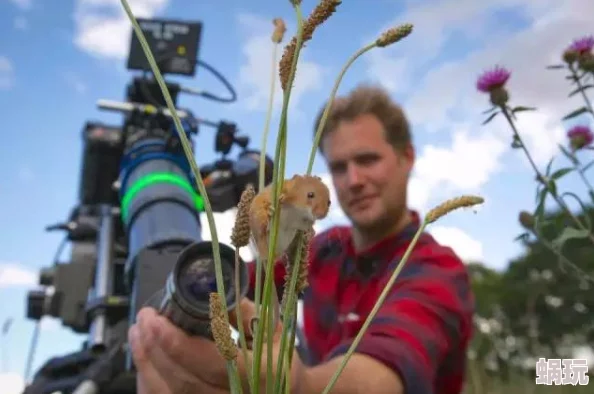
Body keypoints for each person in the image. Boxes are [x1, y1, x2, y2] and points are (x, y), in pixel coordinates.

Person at [129, 84, 475, 394]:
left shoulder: (436, 270)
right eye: (339, 167)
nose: (353, 180)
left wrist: (297, 384)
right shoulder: (323, 249)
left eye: (368, 160)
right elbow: (237, 279)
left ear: (407, 158)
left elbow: (389, 368)